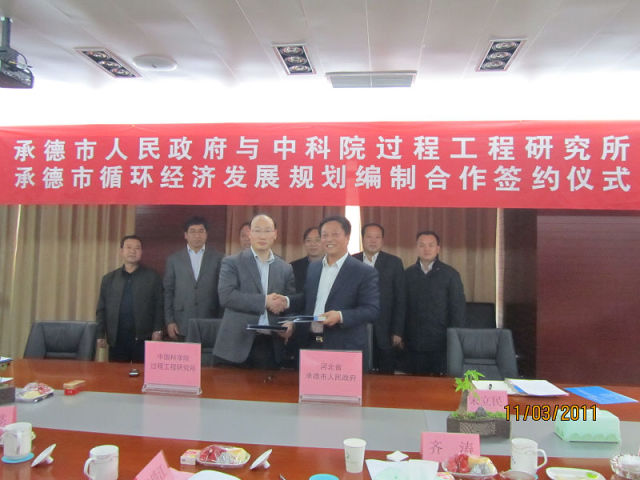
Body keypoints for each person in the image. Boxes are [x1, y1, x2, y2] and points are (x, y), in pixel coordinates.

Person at [213, 214, 297, 368]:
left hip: (270, 345)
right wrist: (265, 301)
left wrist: (290, 323)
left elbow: (289, 303)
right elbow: (226, 297)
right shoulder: (232, 262)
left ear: (275, 234)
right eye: (257, 230)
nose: (262, 236)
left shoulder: (285, 268)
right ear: (250, 234)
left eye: (267, 231)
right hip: (235, 344)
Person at [301, 215, 379, 353]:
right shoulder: (314, 267)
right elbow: (306, 299)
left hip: (344, 345)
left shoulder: (364, 271)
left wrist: (340, 316)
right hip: (312, 342)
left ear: (347, 237)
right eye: (325, 235)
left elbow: (371, 310)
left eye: (335, 234)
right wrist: (286, 301)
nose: (329, 239)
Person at [404, 230, 466, 375]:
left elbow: (458, 309)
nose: (426, 249)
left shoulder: (450, 274)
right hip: (414, 341)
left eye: (431, 245)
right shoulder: (407, 274)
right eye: (422, 245)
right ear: (416, 248)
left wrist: (455, 338)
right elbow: (402, 307)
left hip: (442, 341)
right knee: (415, 383)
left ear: (438, 248)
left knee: (440, 384)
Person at [96, 235, 163, 362]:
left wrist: (158, 330)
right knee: (116, 373)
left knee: (141, 372)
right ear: (121, 251)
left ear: (141, 252)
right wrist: (100, 334)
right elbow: (101, 308)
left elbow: (159, 306)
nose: (133, 251)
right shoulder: (109, 279)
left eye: (137, 248)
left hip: (143, 336)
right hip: (117, 337)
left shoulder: (152, 277)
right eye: (129, 247)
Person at [353, 223, 406, 373]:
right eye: (369, 237)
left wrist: (398, 331)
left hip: (386, 329)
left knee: (385, 374)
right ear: (362, 239)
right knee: (358, 371)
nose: (373, 241)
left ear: (382, 240)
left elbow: (400, 300)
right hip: (357, 327)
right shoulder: (351, 261)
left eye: (377, 237)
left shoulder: (394, 263)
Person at [163, 216, 223, 340]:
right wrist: (169, 321)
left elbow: (223, 291)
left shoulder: (219, 258)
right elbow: (168, 292)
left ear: (206, 234)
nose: (197, 235)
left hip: (210, 320)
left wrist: (222, 320)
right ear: (185, 235)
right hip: (181, 321)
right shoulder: (174, 260)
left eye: (201, 231)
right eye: (193, 231)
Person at [290, 226, 323, 293]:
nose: (313, 244)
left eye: (317, 240)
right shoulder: (293, 267)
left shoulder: (332, 265)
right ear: (304, 243)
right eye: (308, 240)